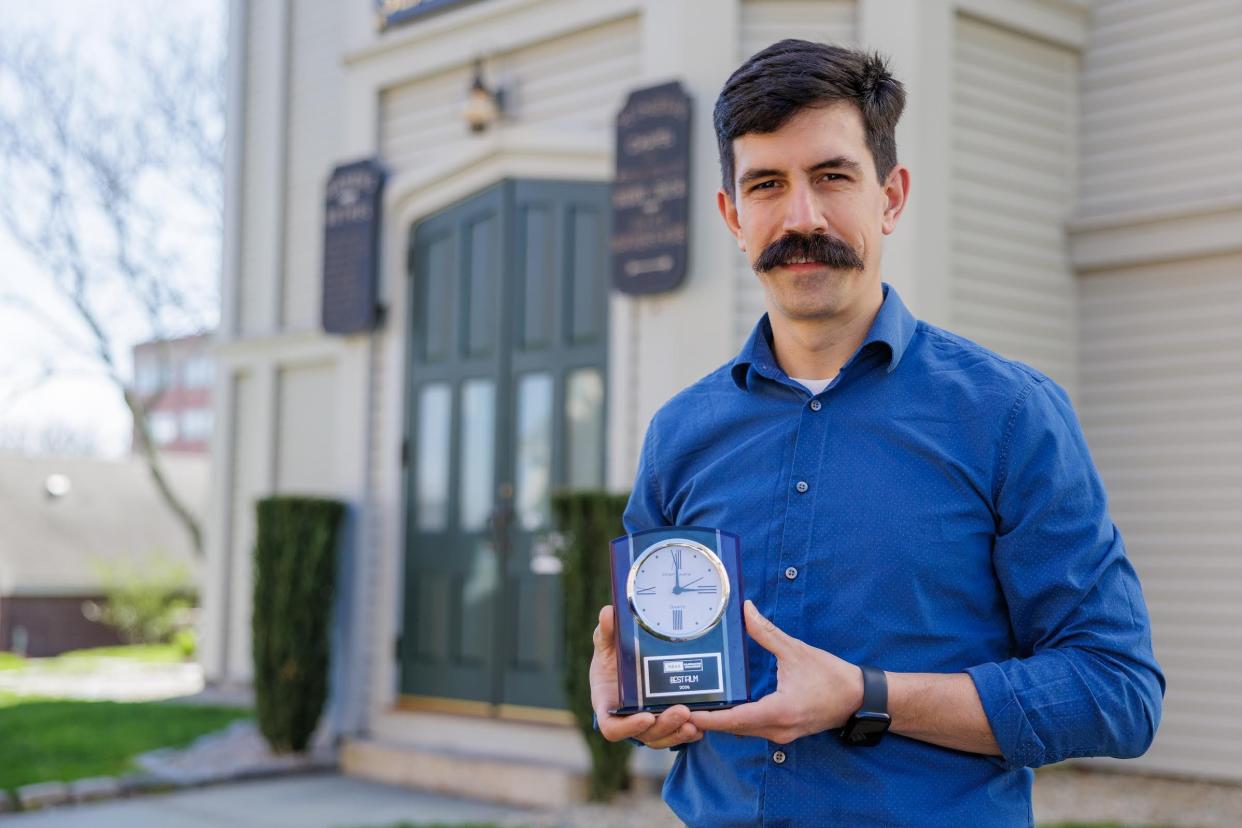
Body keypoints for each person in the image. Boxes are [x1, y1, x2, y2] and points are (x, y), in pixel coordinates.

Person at [589, 39, 1165, 827]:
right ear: (732, 215)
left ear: (890, 197)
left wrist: (866, 696)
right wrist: (630, 700)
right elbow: (659, 660)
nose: (801, 217)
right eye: (766, 185)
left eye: (832, 177)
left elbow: (1116, 692)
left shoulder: (1009, 416)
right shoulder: (680, 432)